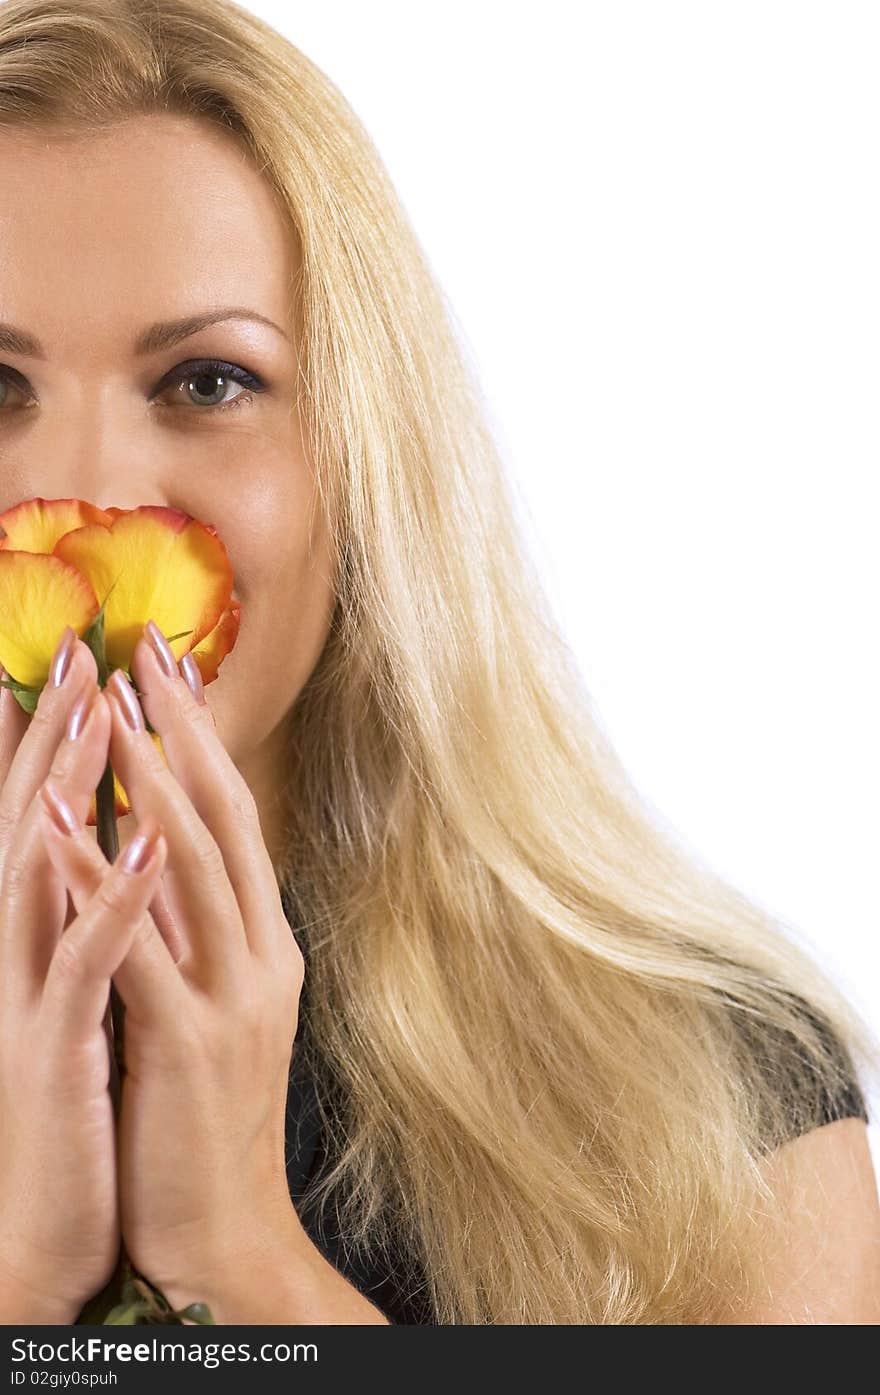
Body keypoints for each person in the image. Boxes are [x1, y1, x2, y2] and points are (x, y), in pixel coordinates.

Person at [0, 0, 877, 1326]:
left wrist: (243, 1260)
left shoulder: (714, 1095)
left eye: (206, 381)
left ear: (363, 457)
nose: (83, 494)